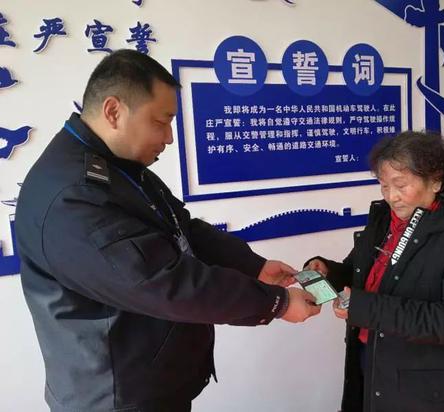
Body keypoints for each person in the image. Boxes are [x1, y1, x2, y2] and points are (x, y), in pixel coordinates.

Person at [15, 49, 320, 412]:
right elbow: (164, 283)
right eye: (161, 122)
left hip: (150, 383)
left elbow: (182, 228)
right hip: (116, 397)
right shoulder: (74, 196)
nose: (170, 137)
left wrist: (253, 266)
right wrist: (275, 303)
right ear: (113, 112)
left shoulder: (119, 169)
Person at [306, 131, 444, 412]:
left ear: (436, 180)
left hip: (430, 387)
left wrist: (366, 309)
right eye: (384, 186)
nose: (391, 197)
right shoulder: (385, 223)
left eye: (400, 185)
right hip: (374, 361)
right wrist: (330, 272)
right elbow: (362, 274)